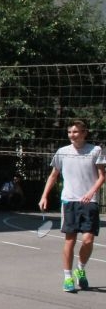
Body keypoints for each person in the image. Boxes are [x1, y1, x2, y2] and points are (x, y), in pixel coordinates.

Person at [38, 119, 106, 293]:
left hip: (89, 201)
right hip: (69, 201)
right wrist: (44, 196)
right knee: (70, 240)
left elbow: (102, 176)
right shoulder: (62, 152)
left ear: (84, 133)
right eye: (69, 132)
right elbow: (53, 175)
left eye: (75, 132)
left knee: (88, 240)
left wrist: (91, 192)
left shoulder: (96, 150)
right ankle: (68, 277)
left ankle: (80, 268)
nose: (72, 135)